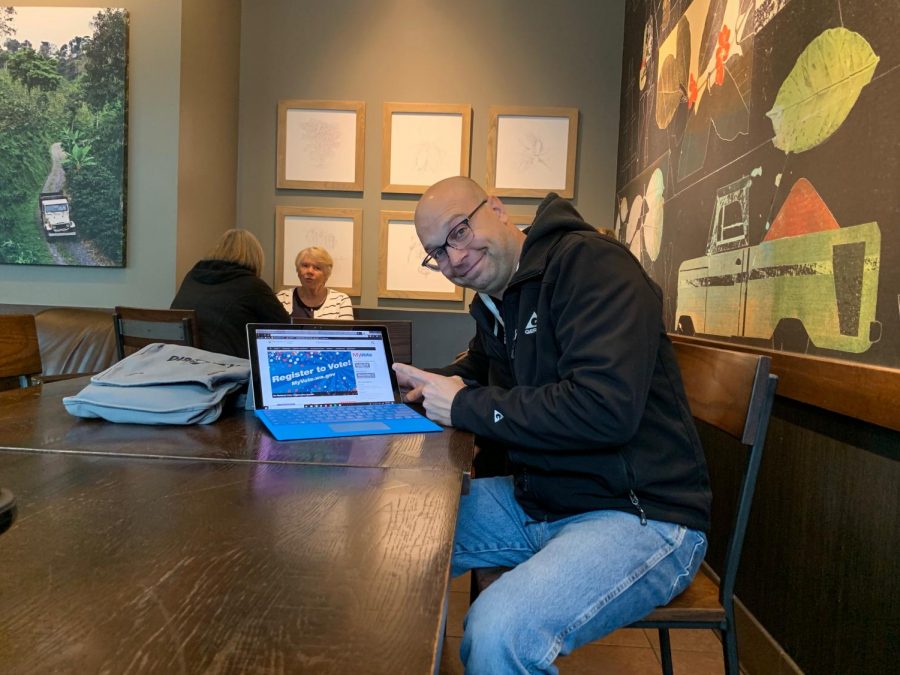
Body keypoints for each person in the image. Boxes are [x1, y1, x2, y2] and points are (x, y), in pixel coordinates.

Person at [392, 177, 711, 674]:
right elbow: (475, 374)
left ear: (495, 207)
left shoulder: (590, 265)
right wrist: (407, 390)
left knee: (499, 633)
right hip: (541, 500)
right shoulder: (501, 301)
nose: (453, 259)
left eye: (458, 231)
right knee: (399, 537)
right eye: (437, 252)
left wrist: (464, 405)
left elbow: (604, 409)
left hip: (640, 515)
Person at [171, 228, 289, 358]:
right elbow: (287, 328)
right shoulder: (252, 285)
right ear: (256, 257)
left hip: (181, 362)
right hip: (227, 367)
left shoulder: (191, 277)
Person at [276, 246, 354, 320]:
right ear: (298, 270)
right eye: (305, 266)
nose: (309, 271)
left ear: (326, 274)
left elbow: (345, 333)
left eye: (317, 268)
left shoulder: (341, 301)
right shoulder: (282, 298)